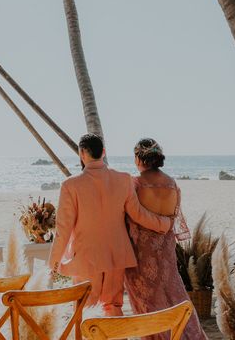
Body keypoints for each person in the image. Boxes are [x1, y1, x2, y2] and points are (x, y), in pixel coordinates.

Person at [48, 134, 172, 317]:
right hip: (116, 256)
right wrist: (165, 223)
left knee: (86, 312)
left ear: (82, 153)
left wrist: (52, 267)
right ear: (103, 152)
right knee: (113, 307)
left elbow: (63, 231)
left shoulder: (70, 185)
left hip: (86, 258)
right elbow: (138, 214)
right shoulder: (123, 179)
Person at [124, 138, 207, 340]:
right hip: (166, 252)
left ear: (138, 158)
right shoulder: (172, 184)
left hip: (142, 255)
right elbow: (172, 220)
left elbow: (128, 217)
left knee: (148, 302)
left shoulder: (135, 184)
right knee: (174, 295)